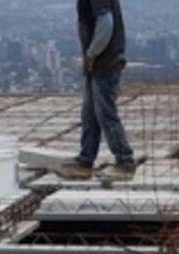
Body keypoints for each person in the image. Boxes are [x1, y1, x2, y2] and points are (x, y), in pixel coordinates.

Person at [58, 0, 135, 181]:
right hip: (99, 65)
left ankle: (125, 162)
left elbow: (106, 23)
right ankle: (86, 160)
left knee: (105, 113)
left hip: (106, 63)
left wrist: (91, 53)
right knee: (90, 114)